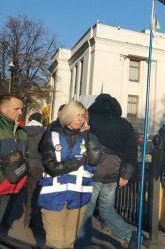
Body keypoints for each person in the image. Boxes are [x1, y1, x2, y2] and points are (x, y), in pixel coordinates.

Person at [77, 94, 142, 248]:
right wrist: (126, 175)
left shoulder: (90, 120)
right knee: (106, 209)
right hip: (113, 172)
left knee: (85, 210)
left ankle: (82, 243)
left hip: (92, 170)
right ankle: (130, 234)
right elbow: (131, 152)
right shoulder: (125, 124)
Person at [38, 101, 105, 249]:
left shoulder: (87, 137)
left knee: (69, 243)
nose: (81, 119)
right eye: (77, 115)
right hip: (54, 197)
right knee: (55, 244)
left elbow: (95, 159)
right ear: (68, 114)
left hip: (78, 197)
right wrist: (76, 162)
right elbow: (51, 166)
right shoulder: (52, 135)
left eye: (83, 116)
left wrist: (87, 136)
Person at [0, 94, 27, 222]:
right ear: (3, 109)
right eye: (16, 109)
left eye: (21, 109)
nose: (20, 112)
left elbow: (25, 156)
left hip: (9, 186)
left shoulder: (21, 131)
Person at [23, 112, 46, 228]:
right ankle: (28, 221)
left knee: (15, 192)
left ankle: (5, 219)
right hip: (37, 165)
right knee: (32, 194)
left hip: (23, 164)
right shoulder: (43, 131)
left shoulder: (23, 130)